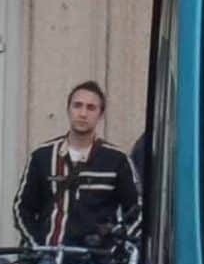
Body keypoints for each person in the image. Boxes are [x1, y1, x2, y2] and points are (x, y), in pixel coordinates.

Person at [13, 81, 143, 251]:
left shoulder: (117, 159)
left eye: (91, 108)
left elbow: (138, 210)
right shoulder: (42, 156)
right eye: (77, 106)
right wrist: (36, 245)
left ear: (101, 114)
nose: (83, 113)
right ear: (68, 109)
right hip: (47, 259)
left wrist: (116, 246)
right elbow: (22, 208)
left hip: (95, 263)